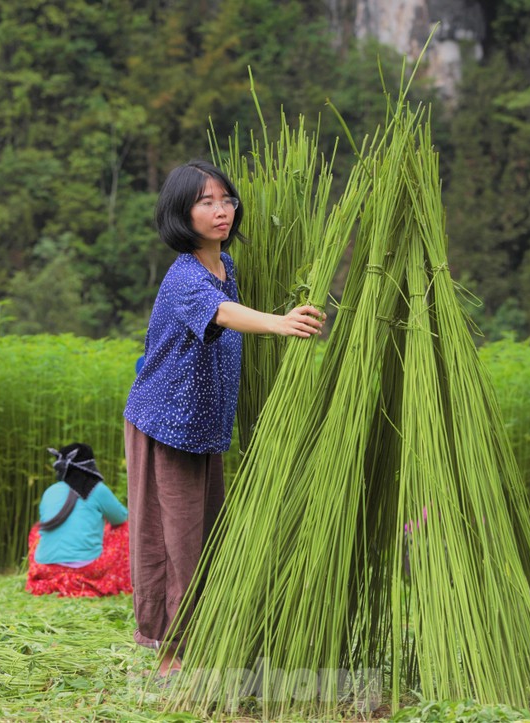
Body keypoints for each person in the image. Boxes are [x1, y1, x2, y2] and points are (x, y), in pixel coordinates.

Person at [124, 159, 325, 677]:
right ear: (180, 212)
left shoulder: (225, 265)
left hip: (205, 426)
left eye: (226, 199)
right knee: (172, 541)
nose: (221, 211)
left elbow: (228, 306)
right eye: (206, 201)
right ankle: (168, 653)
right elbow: (221, 314)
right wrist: (281, 324)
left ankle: (199, 640)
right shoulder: (184, 275)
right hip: (165, 424)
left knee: (205, 534)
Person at [26, 442, 132, 597]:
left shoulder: (50, 491)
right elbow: (121, 518)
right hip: (87, 568)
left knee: (37, 531)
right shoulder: (96, 489)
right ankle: (115, 581)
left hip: (46, 568)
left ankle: (55, 580)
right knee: (126, 528)